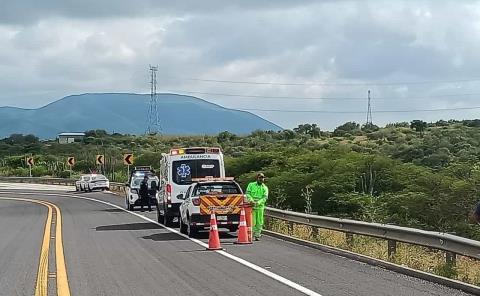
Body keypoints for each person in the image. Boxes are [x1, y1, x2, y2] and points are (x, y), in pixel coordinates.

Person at [246, 173, 269, 241]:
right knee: (252, 221)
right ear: (257, 178)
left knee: (259, 222)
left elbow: (265, 197)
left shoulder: (265, 188)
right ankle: (251, 235)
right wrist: (251, 201)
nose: (261, 179)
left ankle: (257, 235)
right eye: (260, 178)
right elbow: (248, 193)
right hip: (252, 206)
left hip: (260, 207)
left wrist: (258, 202)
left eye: (262, 178)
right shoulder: (251, 185)